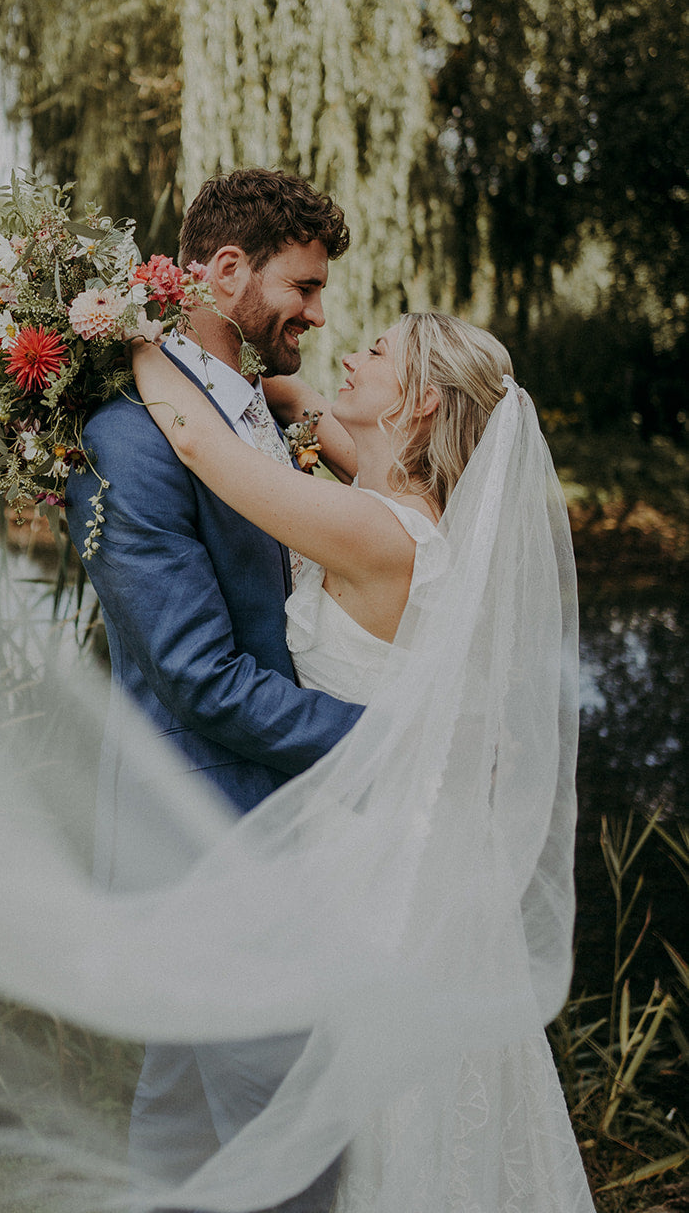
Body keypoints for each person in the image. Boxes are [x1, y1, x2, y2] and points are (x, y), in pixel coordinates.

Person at [129, 311, 595, 1213]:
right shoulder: (398, 498)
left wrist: (129, 331)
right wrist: (255, 375)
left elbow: (194, 444)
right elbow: (302, 398)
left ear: (418, 403)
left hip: (372, 866)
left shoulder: (372, 531)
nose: (350, 349)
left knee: (376, 1108)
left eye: (376, 351)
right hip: (418, 846)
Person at [65, 168, 362, 1212]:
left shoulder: (241, 409)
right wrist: (383, 737)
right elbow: (200, 675)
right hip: (208, 849)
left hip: (250, 835)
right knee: (294, 1149)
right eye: (304, 287)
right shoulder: (130, 441)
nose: (318, 316)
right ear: (226, 268)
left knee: (181, 1133)